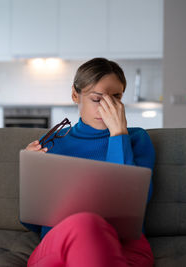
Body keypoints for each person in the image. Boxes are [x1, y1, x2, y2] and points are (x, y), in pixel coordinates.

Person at [22, 57, 155, 267]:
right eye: (97, 99)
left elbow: (132, 206)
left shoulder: (137, 139)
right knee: (86, 224)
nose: (107, 107)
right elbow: (31, 222)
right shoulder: (52, 143)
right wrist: (30, 175)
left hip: (124, 246)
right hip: (61, 244)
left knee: (90, 226)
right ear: (76, 95)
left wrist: (118, 134)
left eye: (116, 97)